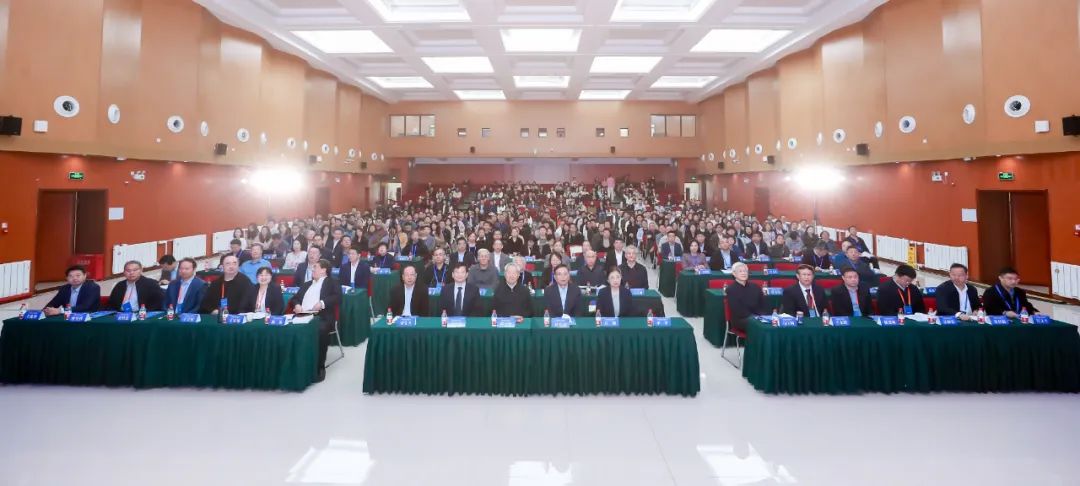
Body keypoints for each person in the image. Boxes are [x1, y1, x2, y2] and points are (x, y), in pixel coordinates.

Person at [286, 259, 341, 382]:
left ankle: (319, 366)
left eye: (315, 267)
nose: (312, 269)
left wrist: (322, 303)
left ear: (323, 270)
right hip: (301, 315)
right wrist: (296, 305)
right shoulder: (307, 284)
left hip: (321, 316)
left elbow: (337, 297)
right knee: (286, 328)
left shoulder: (332, 282)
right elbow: (295, 298)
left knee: (320, 330)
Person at [724, 262, 768, 331]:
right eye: (740, 271)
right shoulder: (731, 289)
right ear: (734, 274)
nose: (743, 273)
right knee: (758, 325)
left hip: (757, 317)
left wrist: (763, 316)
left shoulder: (755, 287)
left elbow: (762, 304)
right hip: (741, 320)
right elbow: (738, 310)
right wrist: (755, 317)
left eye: (745, 271)